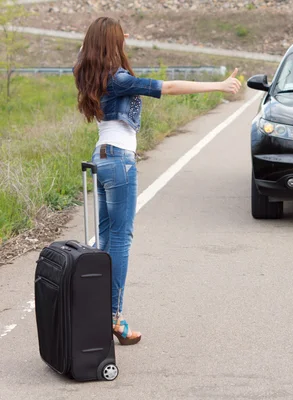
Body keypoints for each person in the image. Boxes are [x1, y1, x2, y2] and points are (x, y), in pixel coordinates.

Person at [73, 17, 241, 345]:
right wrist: (219, 86)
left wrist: (109, 37)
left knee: (107, 240)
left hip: (101, 158)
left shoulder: (87, 71)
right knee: (120, 240)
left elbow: (85, 51)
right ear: (112, 44)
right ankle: (113, 316)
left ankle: (98, 311)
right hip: (119, 162)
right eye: (119, 40)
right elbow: (169, 87)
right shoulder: (118, 79)